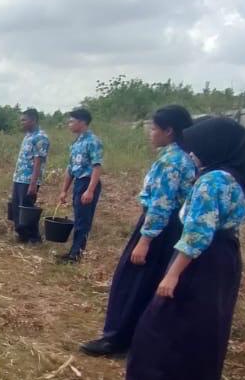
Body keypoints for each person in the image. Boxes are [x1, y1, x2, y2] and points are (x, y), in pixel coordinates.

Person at [108, 117, 245, 380]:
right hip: (224, 257)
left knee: (162, 322)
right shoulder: (236, 178)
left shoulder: (211, 181)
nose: (191, 153)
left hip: (200, 258)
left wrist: (173, 274)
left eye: (197, 146)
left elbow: (197, 234)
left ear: (215, 146)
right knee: (203, 325)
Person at [81, 106, 197, 357]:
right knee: (147, 283)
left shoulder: (171, 162)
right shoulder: (184, 157)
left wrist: (145, 240)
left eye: (154, 128)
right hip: (170, 228)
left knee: (131, 282)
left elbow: (161, 205)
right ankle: (136, 337)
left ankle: (116, 339)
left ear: (169, 131)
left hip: (159, 229)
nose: (150, 133)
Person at [56, 108, 104, 263]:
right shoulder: (76, 143)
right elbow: (70, 168)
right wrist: (64, 190)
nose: (69, 124)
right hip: (78, 182)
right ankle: (74, 251)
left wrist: (90, 190)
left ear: (82, 122)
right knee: (78, 219)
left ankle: (76, 254)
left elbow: (97, 167)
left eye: (72, 121)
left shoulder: (93, 141)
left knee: (83, 221)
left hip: (87, 182)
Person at [11, 109, 50, 243]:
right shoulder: (28, 136)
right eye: (21, 120)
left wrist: (33, 184)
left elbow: (38, 161)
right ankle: (22, 235)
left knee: (27, 209)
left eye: (24, 120)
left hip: (29, 179)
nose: (21, 123)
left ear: (33, 120)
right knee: (16, 207)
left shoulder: (40, 137)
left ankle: (34, 237)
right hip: (19, 177)